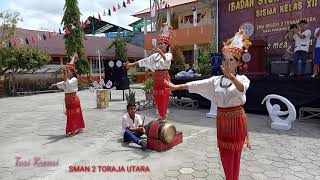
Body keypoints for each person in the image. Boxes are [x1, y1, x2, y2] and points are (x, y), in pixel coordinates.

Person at [165, 28, 252, 180]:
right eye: (225, 59)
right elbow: (197, 84)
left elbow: (242, 89)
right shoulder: (216, 80)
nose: (227, 62)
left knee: (235, 155)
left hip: (237, 121)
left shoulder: (243, 79)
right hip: (222, 120)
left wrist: (232, 77)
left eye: (231, 60)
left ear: (238, 63)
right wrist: (176, 87)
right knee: (224, 154)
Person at [124, 22, 173, 121]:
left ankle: (163, 115)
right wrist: (131, 65)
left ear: (167, 45)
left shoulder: (169, 54)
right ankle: (160, 114)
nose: (160, 45)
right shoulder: (155, 56)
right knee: (156, 95)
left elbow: (166, 60)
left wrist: (159, 51)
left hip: (164, 77)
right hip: (157, 77)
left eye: (162, 44)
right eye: (159, 44)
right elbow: (143, 61)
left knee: (163, 96)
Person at [50, 53, 85, 136]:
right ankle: (76, 128)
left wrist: (66, 69)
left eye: (68, 72)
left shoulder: (74, 79)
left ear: (72, 73)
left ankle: (75, 129)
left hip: (73, 99)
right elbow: (63, 82)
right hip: (68, 100)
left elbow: (66, 82)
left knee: (74, 114)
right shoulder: (68, 79)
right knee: (71, 115)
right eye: (67, 72)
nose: (67, 73)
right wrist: (54, 84)